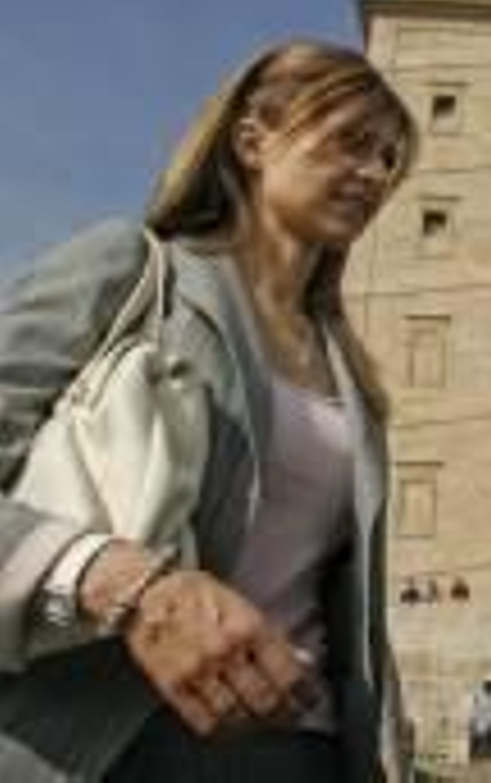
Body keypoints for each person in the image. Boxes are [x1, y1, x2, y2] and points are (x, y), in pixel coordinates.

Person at [0, 39, 417, 781]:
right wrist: (126, 583)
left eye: (390, 158)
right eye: (352, 141)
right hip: (116, 741)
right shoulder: (131, 270)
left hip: (305, 748)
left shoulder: (354, 370)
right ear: (253, 140)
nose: (374, 174)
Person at [467, 677, 491, 762]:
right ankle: (476, 757)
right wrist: (472, 723)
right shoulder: (479, 697)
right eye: (490, 686)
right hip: (480, 723)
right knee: (478, 740)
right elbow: (475, 710)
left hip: (489, 723)